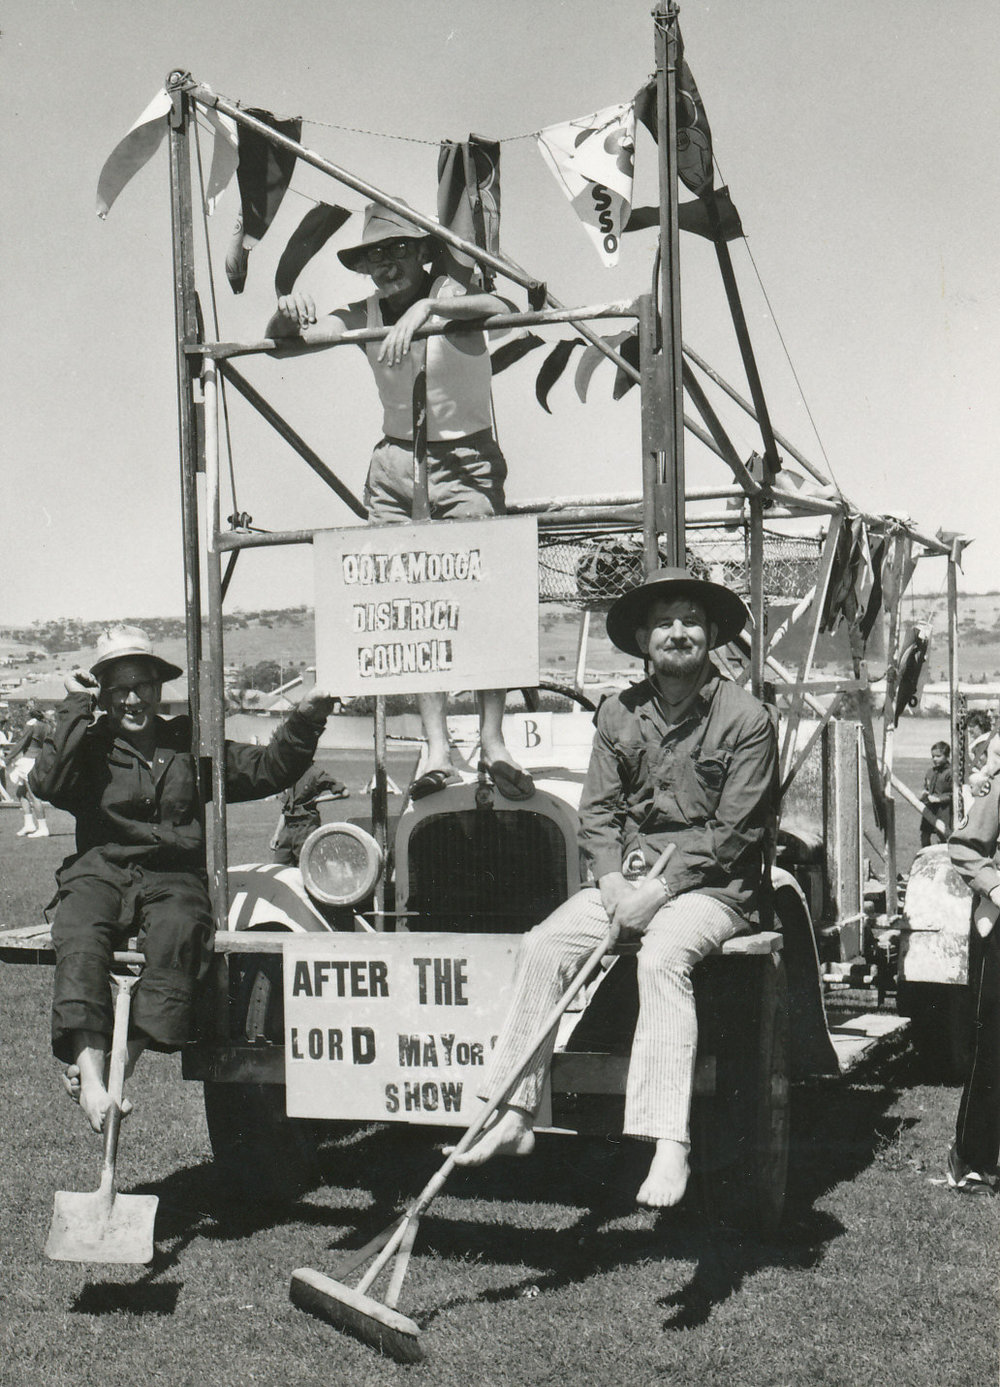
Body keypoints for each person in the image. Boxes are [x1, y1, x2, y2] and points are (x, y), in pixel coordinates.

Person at [451, 568, 779, 1208]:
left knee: (661, 957)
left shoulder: (747, 719)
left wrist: (659, 894)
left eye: (689, 621)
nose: (677, 632)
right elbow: (597, 818)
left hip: (712, 891)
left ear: (711, 635)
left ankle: (667, 1144)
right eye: (663, 623)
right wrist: (609, 884)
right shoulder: (618, 713)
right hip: (625, 882)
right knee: (543, 944)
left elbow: (736, 835)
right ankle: (514, 1115)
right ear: (642, 639)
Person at [265, 199, 533, 804]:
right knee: (411, 608)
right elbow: (286, 345)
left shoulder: (454, 295)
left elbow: (508, 310)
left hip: (465, 463)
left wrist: (430, 308)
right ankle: (436, 747)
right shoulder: (363, 313)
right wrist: (283, 313)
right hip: (393, 467)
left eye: (397, 250)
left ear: (423, 252)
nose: (386, 265)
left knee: (483, 599)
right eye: (375, 255)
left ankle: (493, 743)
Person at [29, 625, 338, 1134]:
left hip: (173, 876)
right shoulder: (88, 743)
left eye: (143, 685)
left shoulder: (189, 742)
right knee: (79, 933)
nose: (133, 699)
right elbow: (47, 782)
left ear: (158, 687)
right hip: (100, 870)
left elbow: (266, 769)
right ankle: (88, 1079)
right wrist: (74, 706)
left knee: (181, 934)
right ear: (102, 693)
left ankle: (117, 1068)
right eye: (118, 688)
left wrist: (308, 716)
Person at [946, 730, 1000, 1193]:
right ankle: (975, 1159)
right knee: (994, 1041)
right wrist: (996, 888)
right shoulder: (997, 785)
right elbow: (964, 846)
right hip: (999, 922)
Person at [271, 763, 349, 866]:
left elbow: (344, 793)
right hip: (288, 830)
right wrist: (277, 834)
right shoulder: (290, 774)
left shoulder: (315, 774)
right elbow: (286, 809)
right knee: (280, 868)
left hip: (307, 828)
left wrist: (318, 799)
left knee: (307, 867)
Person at [7, 701, 50, 838]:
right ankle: (29, 824)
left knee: (33, 795)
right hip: (38, 759)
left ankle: (43, 828)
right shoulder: (46, 725)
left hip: (28, 761)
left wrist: (7, 759)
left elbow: (22, 743)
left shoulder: (31, 724)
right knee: (21, 793)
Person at [919, 740, 953, 847]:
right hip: (929, 809)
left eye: (938, 756)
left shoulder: (951, 773)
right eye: (933, 756)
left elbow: (955, 794)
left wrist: (939, 799)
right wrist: (924, 794)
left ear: (947, 756)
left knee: (943, 834)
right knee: (924, 835)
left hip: (943, 810)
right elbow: (927, 787)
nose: (934, 759)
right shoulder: (930, 772)